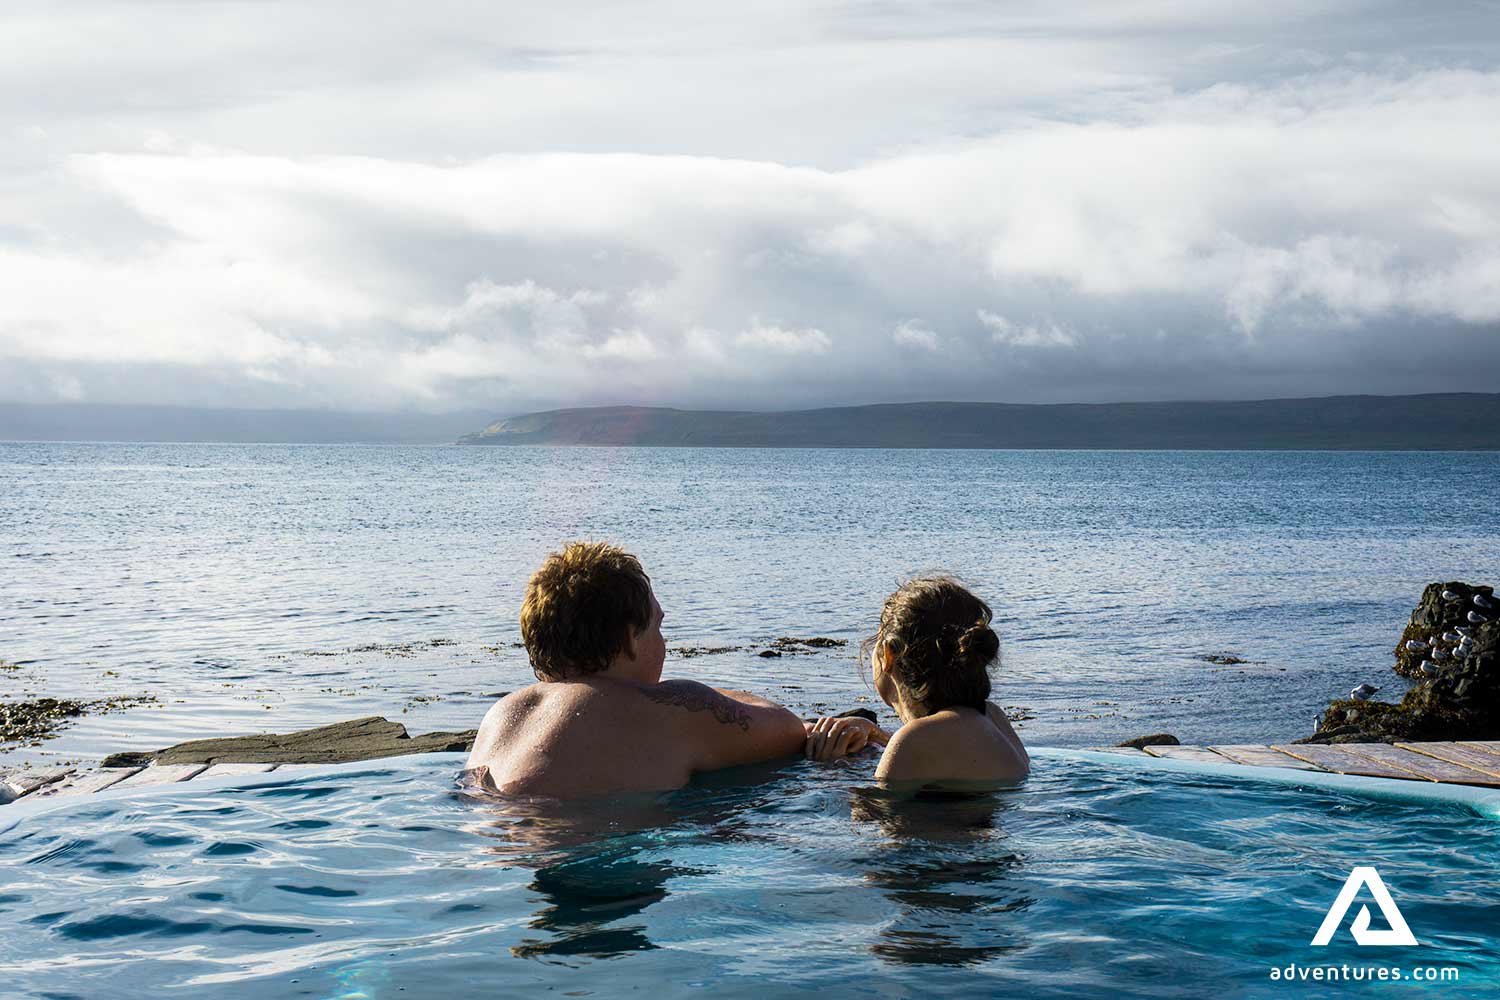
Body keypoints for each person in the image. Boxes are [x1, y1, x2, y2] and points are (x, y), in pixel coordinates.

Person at [465, 541, 807, 798]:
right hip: (602, 865)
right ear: (631, 639)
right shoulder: (669, 708)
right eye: (657, 627)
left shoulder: (502, 713)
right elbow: (788, 728)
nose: (664, 642)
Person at [803, 577, 1029, 786]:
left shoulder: (913, 741)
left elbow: (880, 821)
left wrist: (832, 771)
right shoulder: (993, 716)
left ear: (888, 655)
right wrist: (879, 737)